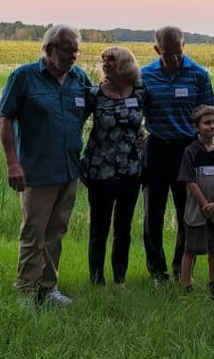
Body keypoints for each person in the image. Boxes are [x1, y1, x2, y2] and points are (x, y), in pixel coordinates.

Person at [0, 24, 91, 308]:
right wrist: (13, 163)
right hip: (36, 171)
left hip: (68, 169)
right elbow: (5, 119)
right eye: (67, 50)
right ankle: (26, 291)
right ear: (49, 49)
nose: (73, 56)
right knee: (33, 232)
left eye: (76, 50)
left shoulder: (79, 78)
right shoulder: (24, 76)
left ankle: (48, 289)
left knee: (56, 231)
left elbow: (85, 113)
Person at [141, 26, 214, 284]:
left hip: (187, 149)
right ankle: (156, 271)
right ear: (156, 49)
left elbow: (209, 114)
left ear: (184, 45)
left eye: (177, 52)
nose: (173, 58)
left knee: (188, 212)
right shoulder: (145, 75)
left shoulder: (198, 74)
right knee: (153, 212)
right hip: (157, 147)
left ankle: (181, 268)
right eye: (167, 53)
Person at [80, 47, 146, 289]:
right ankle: (97, 281)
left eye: (111, 60)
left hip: (131, 170)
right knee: (99, 227)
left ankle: (119, 281)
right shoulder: (94, 94)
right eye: (103, 60)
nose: (105, 63)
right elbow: (76, 123)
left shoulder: (139, 92)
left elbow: (153, 120)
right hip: (100, 171)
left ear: (125, 64)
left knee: (124, 228)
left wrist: (146, 137)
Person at [178, 105, 214, 299]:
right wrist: (203, 203)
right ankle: (185, 286)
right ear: (197, 127)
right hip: (196, 208)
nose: (212, 126)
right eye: (207, 123)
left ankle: (213, 284)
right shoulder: (191, 151)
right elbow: (189, 181)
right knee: (190, 248)